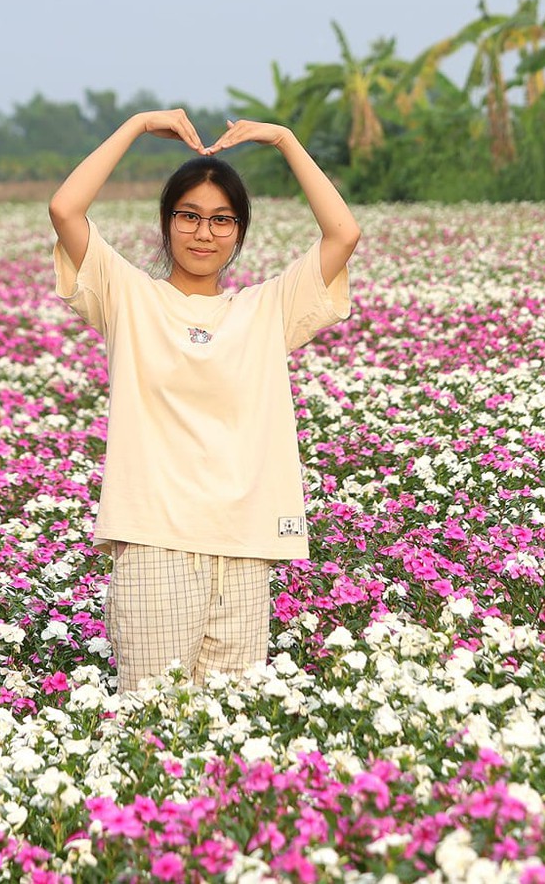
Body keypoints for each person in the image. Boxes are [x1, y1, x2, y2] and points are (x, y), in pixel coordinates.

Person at [49, 108, 360, 691]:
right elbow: (65, 209)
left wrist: (286, 139)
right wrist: (137, 126)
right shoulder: (129, 297)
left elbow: (343, 233)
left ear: (239, 233)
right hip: (154, 545)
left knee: (228, 736)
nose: (203, 233)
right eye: (188, 216)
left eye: (222, 220)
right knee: (151, 722)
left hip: (244, 549)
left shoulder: (266, 308)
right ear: (166, 224)